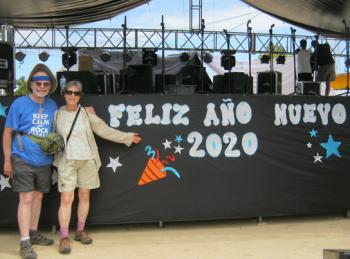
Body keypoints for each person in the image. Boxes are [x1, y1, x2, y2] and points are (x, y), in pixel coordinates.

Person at [54, 80, 142, 254]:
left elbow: (104, 130)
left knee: (85, 195)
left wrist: (127, 137)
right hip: (67, 161)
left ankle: (80, 230)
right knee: (66, 199)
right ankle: (64, 237)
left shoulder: (86, 114)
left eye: (76, 93)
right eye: (69, 92)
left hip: (87, 160)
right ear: (64, 94)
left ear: (80, 96)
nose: (72, 96)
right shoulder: (56, 114)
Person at [3, 64, 58, 259]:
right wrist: (7, 160)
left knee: (37, 197)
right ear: (31, 84)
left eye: (45, 83)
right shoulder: (19, 103)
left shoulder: (52, 105)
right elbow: (8, 133)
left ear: (51, 85)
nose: (41, 87)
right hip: (22, 157)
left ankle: (33, 232)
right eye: (38, 83)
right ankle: (24, 241)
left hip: (44, 160)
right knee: (25, 199)